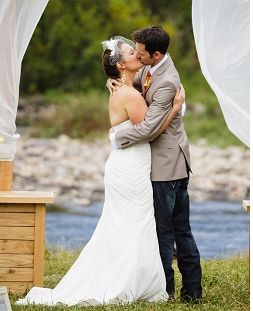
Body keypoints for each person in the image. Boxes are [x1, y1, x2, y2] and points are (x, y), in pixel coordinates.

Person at [19, 36, 184, 305]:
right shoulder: (128, 94)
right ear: (121, 65)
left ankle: (135, 281)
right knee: (135, 222)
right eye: (132, 53)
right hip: (130, 166)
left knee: (125, 224)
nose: (137, 55)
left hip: (125, 164)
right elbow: (150, 133)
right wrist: (175, 108)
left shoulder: (122, 87)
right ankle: (131, 284)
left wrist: (110, 81)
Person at [110, 26, 201, 301]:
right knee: (172, 228)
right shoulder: (148, 68)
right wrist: (113, 82)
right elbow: (132, 81)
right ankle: (176, 290)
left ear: (156, 54)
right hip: (165, 162)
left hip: (167, 164)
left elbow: (150, 129)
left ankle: (178, 292)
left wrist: (117, 137)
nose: (137, 56)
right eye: (134, 52)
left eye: (140, 52)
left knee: (170, 231)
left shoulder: (166, 81)